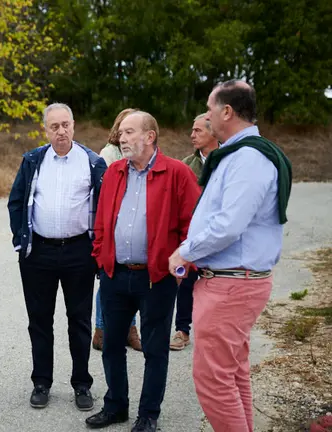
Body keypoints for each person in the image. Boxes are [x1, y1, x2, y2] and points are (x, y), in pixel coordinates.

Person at [169, 80, 292, 432]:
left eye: (210, 109)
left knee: (213, 381)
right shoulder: (239, 153)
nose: (206, 117)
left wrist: (184, 251)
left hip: (231, 285)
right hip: (232, 282)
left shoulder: (248, 158)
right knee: (233, 373)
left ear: (226, 111)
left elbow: (228, 225)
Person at [87, 111, 200, 432]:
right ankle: (115, 407)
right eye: (120, 133)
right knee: (111, 345)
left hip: (157, 279)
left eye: (129, 132)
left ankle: (148, 414)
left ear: (150, 137)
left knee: (154, 349)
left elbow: (193, 226)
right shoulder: (114, 172)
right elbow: (101, 220)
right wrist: (101, 258)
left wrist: (180, 267)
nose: (121, 138)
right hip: (115, 275)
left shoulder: (177, 173)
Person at [7, 103, 107, 411]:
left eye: (65, 125)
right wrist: (21, 239)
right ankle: (41, 382)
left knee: (79, 320)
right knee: (39, 320)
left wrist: (98, 250)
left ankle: (82, 383)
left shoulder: (93, 162)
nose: (61, 131)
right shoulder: (33, 160)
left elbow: (105, 207)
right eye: (54, 126)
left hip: (79, 252)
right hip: (39, 252)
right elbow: (16, 202)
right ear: (45, 129)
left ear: (73, 125)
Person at [170, 113, 220, 351]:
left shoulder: (228, 161)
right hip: (191, 235)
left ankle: (215, 331)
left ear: (214, 132)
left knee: (216, 284)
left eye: (198, 130)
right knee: (186, 282)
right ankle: (182, 330)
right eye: (192, 130)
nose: (192, 135)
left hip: (220, 235)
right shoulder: (186, 165)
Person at [94, 108, 141, 352]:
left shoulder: (141, 152)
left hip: (134, 222)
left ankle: (130, 329)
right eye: (124, 130)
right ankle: (101, 329)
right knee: (109, 279)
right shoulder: (109, 154)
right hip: (115, 223)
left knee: (131, 282)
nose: (126, 136)